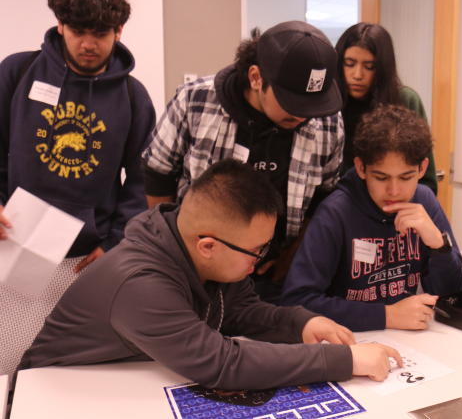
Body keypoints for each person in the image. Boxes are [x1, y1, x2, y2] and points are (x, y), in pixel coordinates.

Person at [20, 159, 403, 389]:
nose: (259, 263)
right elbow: (223, 364)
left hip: (129, 378)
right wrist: (345, 361)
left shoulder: (198, 250)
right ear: (208, 246)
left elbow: (240, 312)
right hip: (55, 394)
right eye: (255, 252)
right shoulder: (139, 284)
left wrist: (300, 323)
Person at [0, 0, 155, 380]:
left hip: (87, 259)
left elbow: (141, 180)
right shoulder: (17, 72)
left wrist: (118, 240)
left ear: (119, 31)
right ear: (60, 25)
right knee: (6, 361)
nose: (89, 43)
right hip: (13, 243)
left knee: (69, 371)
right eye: (78, 31)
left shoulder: (134, 97)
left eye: (101, 33)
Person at [142, 21, 344, 304]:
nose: (304, 114)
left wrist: (295, 252)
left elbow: (324, 195)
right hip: (198, 271)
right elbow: (157, 172)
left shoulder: (327, 122)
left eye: (313, 105)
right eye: (291, 101)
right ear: (256, 77)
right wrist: (173, 251)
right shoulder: (196, 100)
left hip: (274, 274)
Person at [279, 105, 462, 332]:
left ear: (422, 168)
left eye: (406, 177)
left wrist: (438, 244)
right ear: (361, 168)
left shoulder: (424, 201)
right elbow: (296, 301)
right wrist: (386, 315)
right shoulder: (335, 213)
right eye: (381, 177)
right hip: (352, 342)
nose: (394, 191)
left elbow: (453, 297)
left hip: (411, 343)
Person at [335, 23, 438, 194]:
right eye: (349, 64)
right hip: (340, 211)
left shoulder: (406, 100)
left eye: (369, 67)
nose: (357, 74)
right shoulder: (328, 104)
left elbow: (427, 182)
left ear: (383, 68)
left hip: (396, 209)